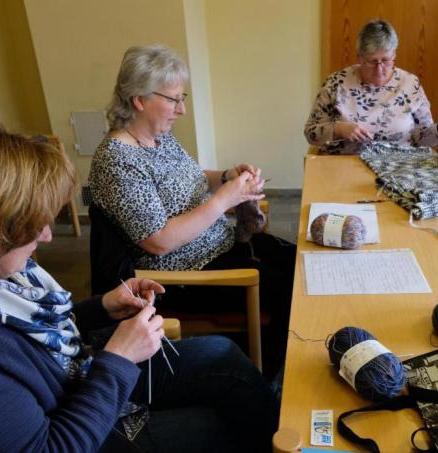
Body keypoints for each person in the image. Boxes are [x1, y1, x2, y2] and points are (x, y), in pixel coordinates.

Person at [0, 119, 278, 453]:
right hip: (77, 430)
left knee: (222, 355)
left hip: (74, 383)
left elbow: (20, 339)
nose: (47, 236)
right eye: (33, 225)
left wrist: (101, 308)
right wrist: (119, 359)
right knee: (222, 426)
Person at [88, 45, 295, 381]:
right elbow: (159, 241)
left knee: (301, 264)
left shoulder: (159, 138)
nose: (182, 109)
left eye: (181, 98)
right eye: (174, 99)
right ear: (139, 100)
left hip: (220, 246)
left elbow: (194, 179)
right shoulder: (117, 161)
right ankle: (267, 374)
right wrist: (224, 200)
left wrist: (225, 177)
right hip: (184, 275)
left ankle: (276, 358)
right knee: (291, 288)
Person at [304, 19, 438, 155]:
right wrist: (338, 129)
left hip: (398, 167)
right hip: (346, 164)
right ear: (359, 57)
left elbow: (423, 138)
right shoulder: (336, 83)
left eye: (386, 60)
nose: (380, 69)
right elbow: (310, 132)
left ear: (394, 54)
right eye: (372, 62)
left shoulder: (410, 84)